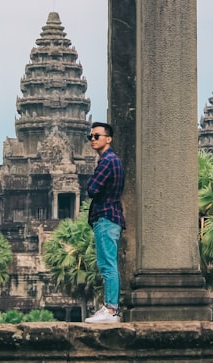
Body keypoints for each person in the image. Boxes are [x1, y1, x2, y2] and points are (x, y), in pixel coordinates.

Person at [84, 121, 125, 324]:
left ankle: (111, 309)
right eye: (90, 136)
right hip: (111, 216)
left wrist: (91, 183)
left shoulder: (107, 161)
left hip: (106, 217)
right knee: (108, 263)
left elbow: (92, 189)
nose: (92, 139)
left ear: (108, 139)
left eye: (96, 136)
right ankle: (110, 307)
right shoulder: (113, 160)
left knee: (108, 264)